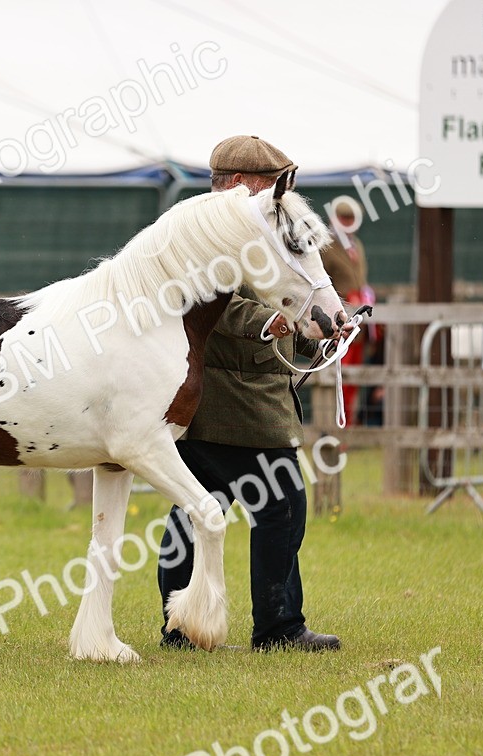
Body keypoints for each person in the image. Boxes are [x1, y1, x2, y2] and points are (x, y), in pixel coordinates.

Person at [158, 135, 341, 652]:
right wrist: (277, 322)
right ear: (241, 184)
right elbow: (213, 305)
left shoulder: (218, 226)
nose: (280, 198)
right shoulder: (213, 232)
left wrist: (316, 319)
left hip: (230, 397)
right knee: (281, 507)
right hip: (233, 399)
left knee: (195, 510)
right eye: (272, 186)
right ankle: (279, 628)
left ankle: (182, 627)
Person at [320, 198, 371, 423]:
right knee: (337, 371)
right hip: (337, 319)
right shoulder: (326, 246)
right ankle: (332, 424)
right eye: (344, 218)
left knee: (353, 375)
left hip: (357, 319)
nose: (348, 223)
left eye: (351, 218)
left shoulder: (357, 246)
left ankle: (348, 424)